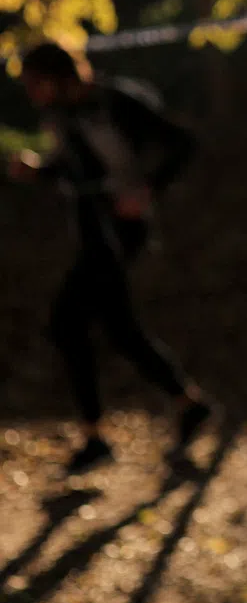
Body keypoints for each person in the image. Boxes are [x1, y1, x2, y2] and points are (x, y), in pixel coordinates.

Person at [7, 41, 213, 475]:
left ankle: (96, 436)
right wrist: (39, 171)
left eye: (34, 84)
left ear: (56, 77)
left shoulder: (114, 101)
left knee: (68, 321)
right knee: (119, 329)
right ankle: (187, 404)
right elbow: (75, 170)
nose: (31, 94)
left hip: (120, 233)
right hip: (92, 231)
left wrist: (148, 190)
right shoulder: (62, 115)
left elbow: (182, 143)